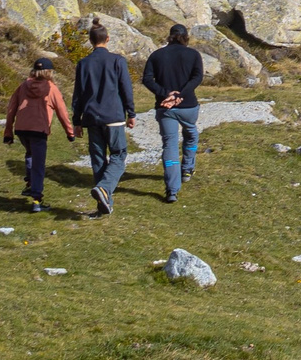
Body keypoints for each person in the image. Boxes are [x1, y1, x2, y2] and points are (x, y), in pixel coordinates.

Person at [71, 20, 134, 217]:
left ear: (90, 41)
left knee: (98, 159)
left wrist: (77, 120)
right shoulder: (117, 61)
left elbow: (78, 94)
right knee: (118, 155)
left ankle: (103, 205)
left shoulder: (83, 64)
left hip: (91, 117)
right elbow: (126, 89)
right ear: (107, 39)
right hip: (113, 116)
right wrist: (131, 113)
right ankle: (105, 189)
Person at [1, 54, 76, 211]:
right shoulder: (51, 88)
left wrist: (8, 131)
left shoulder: (23, 86)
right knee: (38, 164)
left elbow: (11, 109)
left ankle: (30, 184)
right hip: (38, 130)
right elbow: (62, 112)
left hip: (21, 129)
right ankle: (36, 200)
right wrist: (70, 132)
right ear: (50, 73)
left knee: (30, 154)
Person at [143, 22, 205, 202]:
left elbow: (147, 79)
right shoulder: (193, 54)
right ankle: (187, 168)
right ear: (185, 37)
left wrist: (165, 94)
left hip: (165, 107)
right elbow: (197, 77)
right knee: (191, 132)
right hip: (188, 105)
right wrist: (181, 94)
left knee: (169, 144)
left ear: (169, 37)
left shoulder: (156, 55)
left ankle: (172, 190)